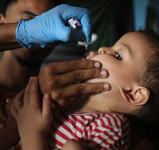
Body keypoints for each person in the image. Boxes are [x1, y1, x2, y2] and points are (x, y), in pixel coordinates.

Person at [11, 30, 159, 150]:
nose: (103, 48)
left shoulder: (110, 127)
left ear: (133, 94)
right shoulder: (68, 101)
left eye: (118, 55)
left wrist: (32, 133)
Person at [0, 0, 111, 149]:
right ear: (2, 21)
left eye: (50, 25)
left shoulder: (69, 105)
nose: (41, 34)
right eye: (27, 20)